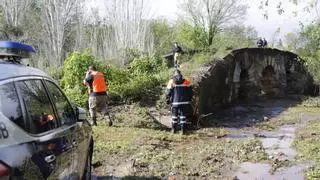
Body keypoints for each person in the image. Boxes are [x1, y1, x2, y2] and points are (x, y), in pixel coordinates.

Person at [166, 69, 193, 134]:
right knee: (183, 116)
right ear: (180, 74)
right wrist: (189, 99)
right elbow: (190, 91)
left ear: (174, 74)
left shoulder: (171, 81)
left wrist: (167, 99)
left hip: (175, 102)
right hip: (185, 102)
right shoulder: (186, 81)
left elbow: (168, 92)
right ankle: (183, 130)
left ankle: (174, 130)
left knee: (174, 116)